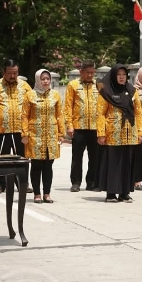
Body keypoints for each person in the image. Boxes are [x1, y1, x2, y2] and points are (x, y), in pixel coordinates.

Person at [96, 64, 142, 203]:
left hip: (130, 132)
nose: (122, 77)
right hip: (112, 133)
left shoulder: (132, 91)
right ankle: (111, 193)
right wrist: (101, 133)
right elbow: (100, 113)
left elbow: (138, 113)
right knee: (113, 163)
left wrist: (140, 132)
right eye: (119, 74)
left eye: (124, 75)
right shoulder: (106, 91)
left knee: (127, 163)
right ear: (113, 76)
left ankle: (125, 192)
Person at [0, 59, 32, 194]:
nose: (13, 76)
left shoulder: (25, 86)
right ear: (3, 72)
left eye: (15, 73)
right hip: (0, 130)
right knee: (0, 158)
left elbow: (32, 106)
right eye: (10, 73)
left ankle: (22, 183)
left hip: (20, 130)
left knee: (22, 158)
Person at [22, 69, 64, 203]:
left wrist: (61, 133)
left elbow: (59, 115)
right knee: (36, 165)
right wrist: (25, 134)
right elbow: (24, 116)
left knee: (48, 165)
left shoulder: (55, 95)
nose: (46, 81)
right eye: (43, 79)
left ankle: (47, 193)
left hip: (51, 135)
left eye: (47, 79)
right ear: (37, 80)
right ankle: (37, 193)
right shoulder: (30, 95)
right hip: (35, 135)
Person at [64, 61, 101, 192]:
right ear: (81, 72)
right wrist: (69, 125)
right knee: (77, 157)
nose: (90, 75)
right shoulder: (73, 85)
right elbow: (68, 106)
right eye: (87, 72)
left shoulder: (99, 84)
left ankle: (92, 182)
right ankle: (76, 182)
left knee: (95, 157)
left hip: (96, 127)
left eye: (92, 72)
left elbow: (104, 105)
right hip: (78, 127)